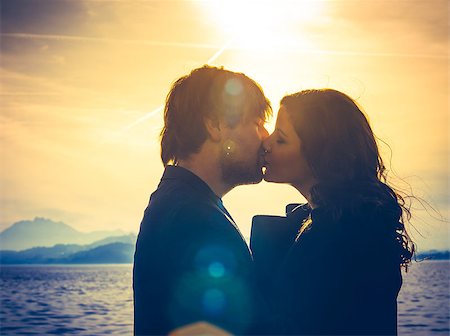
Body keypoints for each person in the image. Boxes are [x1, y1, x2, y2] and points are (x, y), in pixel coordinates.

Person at [250, 89, 415, 335]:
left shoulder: (340, 240)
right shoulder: (351, 226)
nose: (266, 143)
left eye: (281, 139)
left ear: (320, 155)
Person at [133, 65, 272, 335]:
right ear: (216, 125)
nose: (266, 137)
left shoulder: (182, 204)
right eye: (256, 123)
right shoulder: (193, 218)